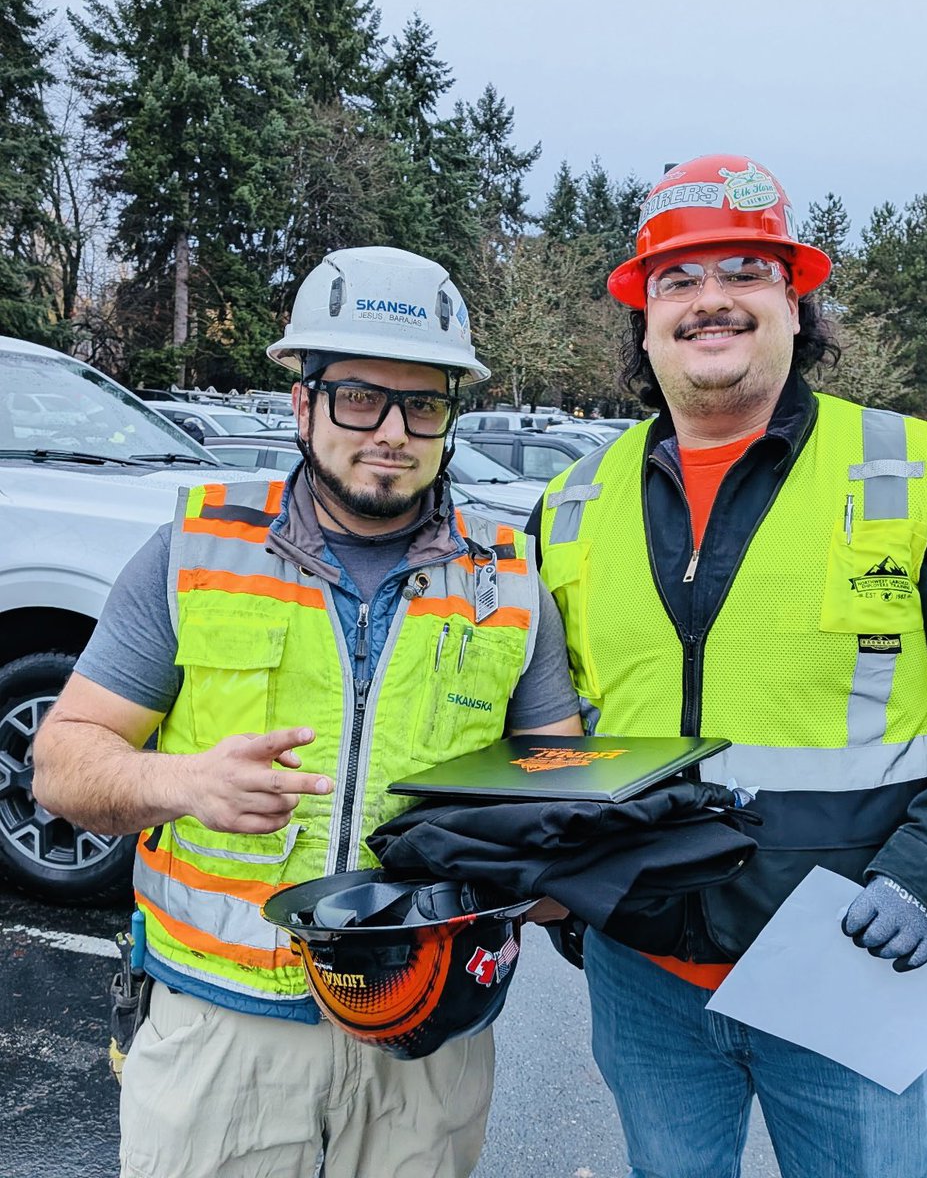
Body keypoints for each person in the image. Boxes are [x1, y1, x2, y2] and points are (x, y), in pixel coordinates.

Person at [528, 154, 927, 1178]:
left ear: (795, 299)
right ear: (644, 319)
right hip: (643, 981)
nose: (711, 301)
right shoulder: (570, 503)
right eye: (678, 280)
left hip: (847, 969)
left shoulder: (921, 475)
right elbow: (547, 734)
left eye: (744, 269)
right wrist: (570, 887)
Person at [33, 246, 582, 1178]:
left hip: (428, 1036)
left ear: (451, 417)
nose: (393, 432)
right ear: (304, 401)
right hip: (222, 1034)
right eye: (361, 397)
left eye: (424, 404)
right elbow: (62, 763)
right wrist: (183, 782)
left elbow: (562, 790)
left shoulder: (510, 576)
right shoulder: (196, 549)